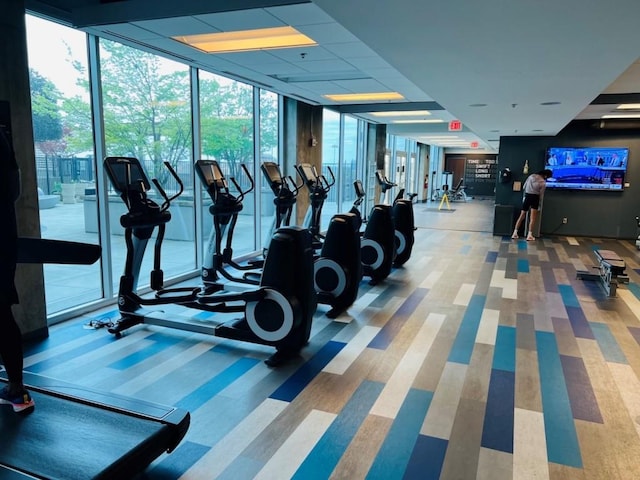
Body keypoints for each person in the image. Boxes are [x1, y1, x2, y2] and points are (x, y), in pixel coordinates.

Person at [0, 126, 35, 414]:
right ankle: (15, 387)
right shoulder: (2, 139)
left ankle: (15, 389)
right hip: (4, 242)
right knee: (2, 315)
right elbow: (12, 191)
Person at [512, 169, 553, 241]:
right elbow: (541, 195)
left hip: (527, 196)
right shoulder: (543, 182)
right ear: (546, 175)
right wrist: (539, 204)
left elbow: (524, 186)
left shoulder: (531, 176)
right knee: (532, 218)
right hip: (535, 198)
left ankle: (515, 233)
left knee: (522, 215)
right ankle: (529, 235)